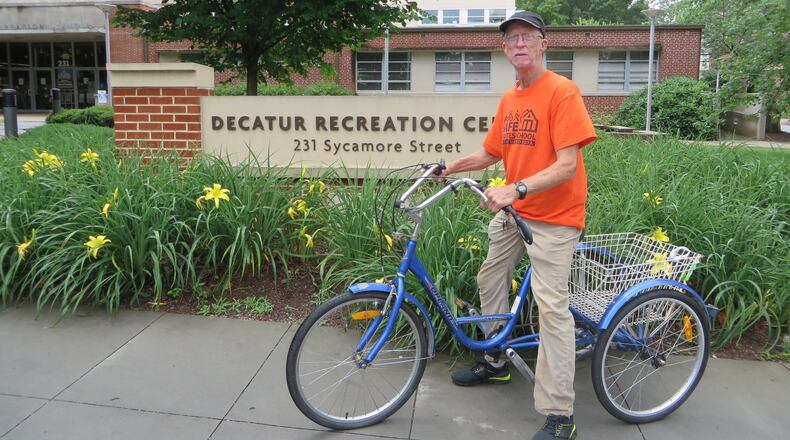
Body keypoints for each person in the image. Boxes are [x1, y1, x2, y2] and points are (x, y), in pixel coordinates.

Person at [440, 11, 597, 440]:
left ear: (544, 43)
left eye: (528, 36)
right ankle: (495, 360)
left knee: (552, 310)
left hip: (555, 219)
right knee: (490, 275)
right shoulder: (510, 98)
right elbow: (492, 152)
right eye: (512, 39)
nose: (520, 44)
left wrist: (517, 189)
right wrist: (450, 166)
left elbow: (567, 166)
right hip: (517, 213)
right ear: (505, 50)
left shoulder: (563, 92)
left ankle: (560, 414)